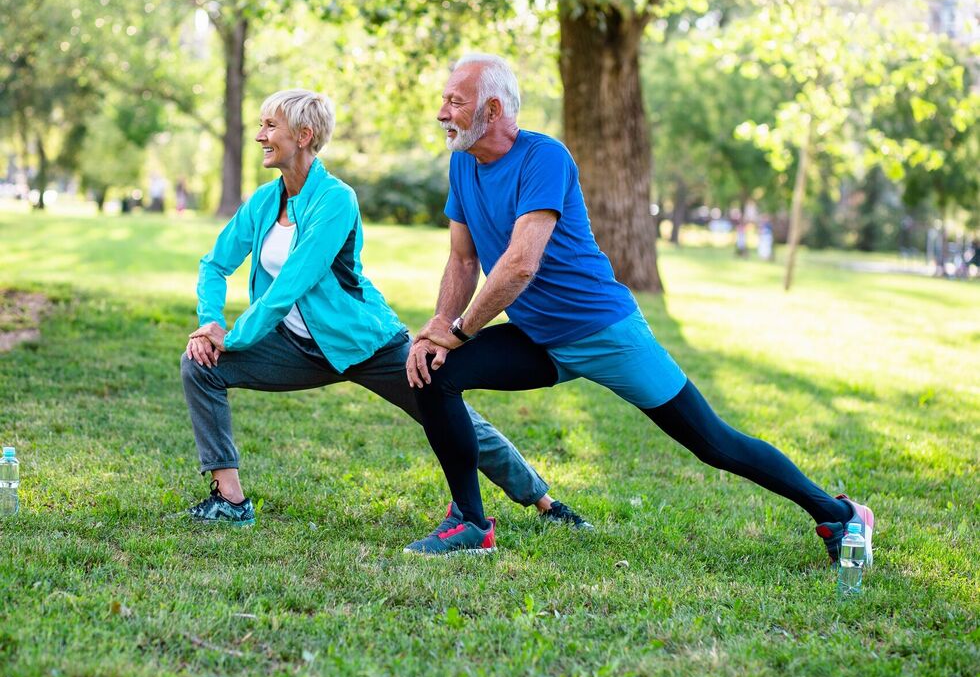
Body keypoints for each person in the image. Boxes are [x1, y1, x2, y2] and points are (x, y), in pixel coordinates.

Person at [404, 54, 875, 561]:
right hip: (538, 339)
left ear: (493, 109)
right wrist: (437, 333)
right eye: (445, 100)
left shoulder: (545, 158)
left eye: (455, 101)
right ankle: (470, 524)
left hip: (603, 331)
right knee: (435, 372)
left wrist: (461, 329)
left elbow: (520, 264)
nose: (442, 113)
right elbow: (462, 257)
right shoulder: (462, 164)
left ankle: (839, 513)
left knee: (713, 442)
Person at [181, 88, 591, 530]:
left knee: (451, 416)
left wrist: (236, 337)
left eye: (269, 125)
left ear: (302, 135)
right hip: (296, 347)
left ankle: (544, 501)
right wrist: (210, 323)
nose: (260, 135)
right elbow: (214, 264)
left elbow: (289, 285)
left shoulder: (336, 200)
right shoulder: (264, 202)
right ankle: (230, 499)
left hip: (366, 344)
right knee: (201, 366)